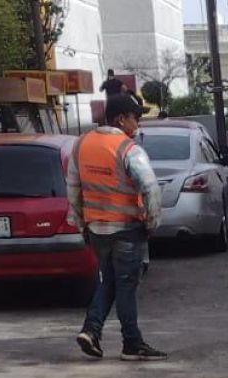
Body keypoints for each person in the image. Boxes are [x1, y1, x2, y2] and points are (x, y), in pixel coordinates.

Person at [70, 94, 167, 362]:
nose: (137, 124)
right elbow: (150, 188)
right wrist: (152, 222)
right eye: (135, 118)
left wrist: (81, 225)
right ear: (120, 119)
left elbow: (73, 190)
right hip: (125, 229)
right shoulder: (128, 148)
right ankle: (131, 344)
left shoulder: (81, 145)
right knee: (125, 285)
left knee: (109, 279)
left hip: (96, 230)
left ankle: (91, 330)